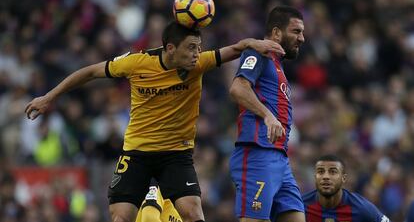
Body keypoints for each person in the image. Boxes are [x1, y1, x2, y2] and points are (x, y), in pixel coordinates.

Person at [25, 21, 285, 222]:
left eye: (199, 47)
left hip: (176, 154)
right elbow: (91, 71)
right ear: (171, 48)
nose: (198, 54)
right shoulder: (137, 62)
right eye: (191, 48)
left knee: (194, 214)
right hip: (137, 152)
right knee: (120, 216)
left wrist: (254, 43)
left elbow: (236, 48)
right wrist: (49, 97)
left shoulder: (199, 64)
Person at [228, 5, 305, 222]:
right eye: (296, 31)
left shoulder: (277, 65)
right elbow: (238, 88)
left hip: (280, 159)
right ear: (276, 33)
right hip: (257, 154)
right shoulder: (258, 53)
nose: (302, 38)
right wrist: (268, 116)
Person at [302, 154, 390, 222]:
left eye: (333, 172)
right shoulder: (300, 206)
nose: (326, 176)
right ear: (315, 177)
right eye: (321, 172)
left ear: (343, 178)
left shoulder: (362, 209)